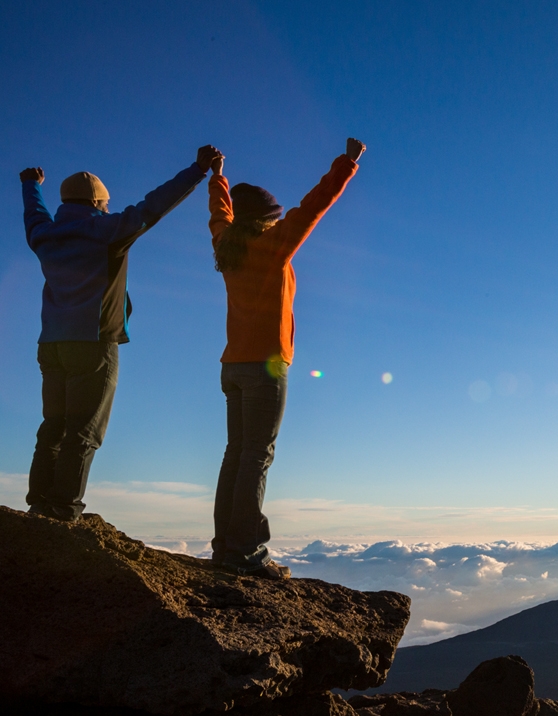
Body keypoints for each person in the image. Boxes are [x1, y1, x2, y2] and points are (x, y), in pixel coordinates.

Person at [21, 146, 222, 522]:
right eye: (107, 203)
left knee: (54, 425)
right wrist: (198, 170)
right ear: (98, 203)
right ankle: (65, 510)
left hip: (51, 344)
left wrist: (31, 185)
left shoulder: (43, 235)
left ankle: (39, 503)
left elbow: (34, 212)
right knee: (84, 429)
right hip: (93, 343)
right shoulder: (107, 231)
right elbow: (153, 206)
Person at [207, 138, 365, 579]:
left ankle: (225, 547)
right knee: (256, 456)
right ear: (268, 220)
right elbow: (313, 206)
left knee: (235, 453)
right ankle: (247, 552)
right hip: (266, 367)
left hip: (232, 366)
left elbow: (219, 214)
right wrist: (347, 164)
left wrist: (219, 175)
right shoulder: (273, 245)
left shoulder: (226, 245)